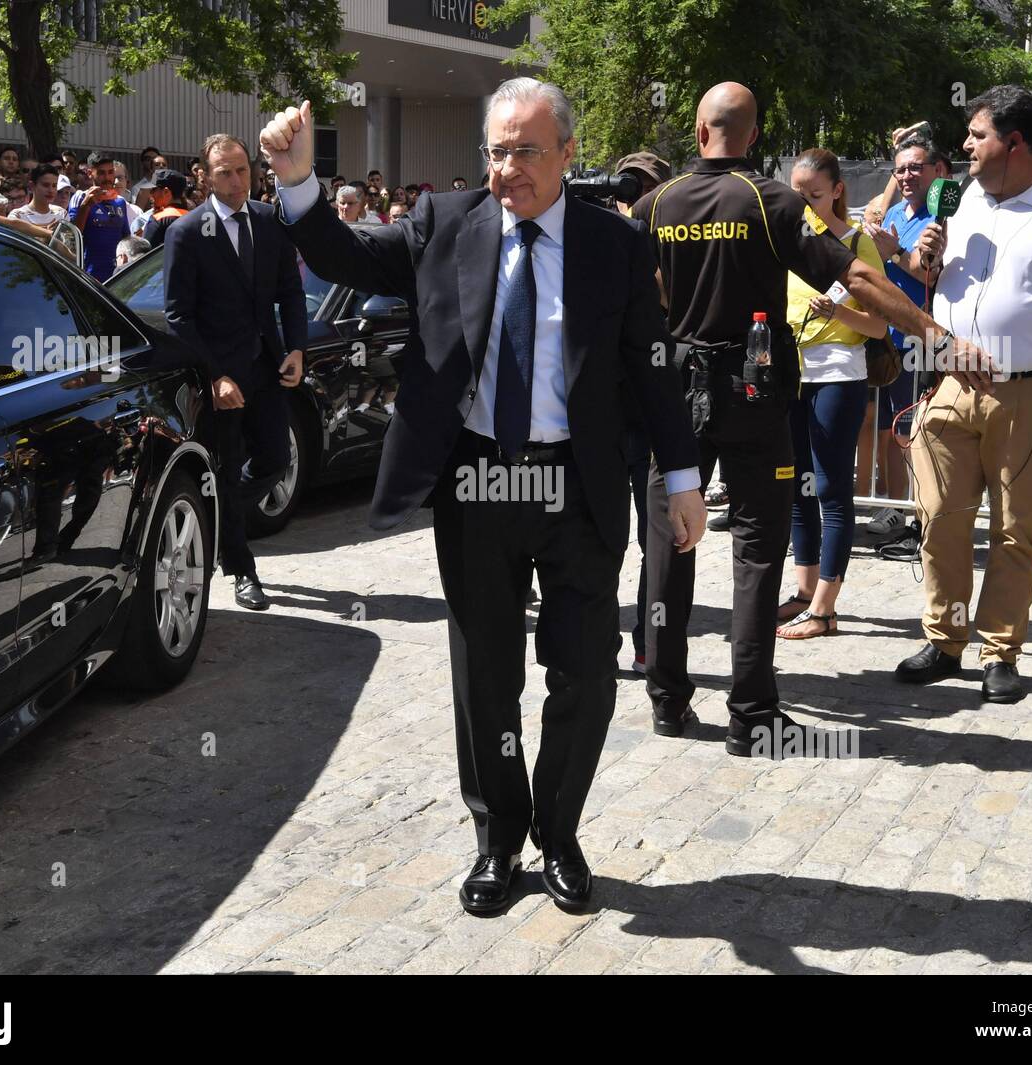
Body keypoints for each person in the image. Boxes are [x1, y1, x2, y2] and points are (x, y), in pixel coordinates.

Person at [261, 77, 706, 915]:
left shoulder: (614, 247)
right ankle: (498, 838)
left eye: (526, 152)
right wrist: (297, 185)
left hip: (578, 488)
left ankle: (560, 831)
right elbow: (345, 256)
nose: (507, 169)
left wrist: (680, 480)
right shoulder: (444, 224)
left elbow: (654, 369)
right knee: (485, 679)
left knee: (586, 673)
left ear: (569, 155)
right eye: (496, 151)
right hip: (477, 483)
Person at [630, 82, 979, 753]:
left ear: (700, 132)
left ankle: (667, 699)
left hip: (676, 391)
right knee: (758, 549)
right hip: (755, 390)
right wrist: (936, 337)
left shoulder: (656, 204)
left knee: (667, 542)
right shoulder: (771, 201)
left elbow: (630, 296)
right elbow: (860, 278)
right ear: (753, 136)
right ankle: (752, 713)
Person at [894, 85, 1032, 703]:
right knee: (940, 519)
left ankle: (1000, 652)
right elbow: (944, 291)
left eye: (976, 135)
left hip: (1030, 392)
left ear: (1013, 142)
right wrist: (920, 259)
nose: (964, 147)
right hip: (951, 384)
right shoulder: (964, 205)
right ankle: (945, 639)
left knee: (1017, 531)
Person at [164, 133, 307, 610]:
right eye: (225, 171)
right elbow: (179, 315)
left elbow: (290, 292)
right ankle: (241, 568)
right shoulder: (187, 232)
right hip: (220, 376)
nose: (237, 179)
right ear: (204, 176)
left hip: (266, 366)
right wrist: (215, 376)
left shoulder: (270, 222)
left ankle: (217, 523)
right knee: (224, 471)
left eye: (243, 169)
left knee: (275, 460)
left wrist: (297, 349)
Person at [776, 149, 887, 640]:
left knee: (831, 487)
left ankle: (825, 606)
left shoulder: (856, 244)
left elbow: (881, 323)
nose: (803, 205)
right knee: (797, 484)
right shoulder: (786, 243)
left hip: (840, 373)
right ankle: (804, 592)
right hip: (791, 374)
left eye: (813, 196)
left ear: (838, 191)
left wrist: (838, 314)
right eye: (795, 196)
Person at [860, 134, 951, 536]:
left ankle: (921, 513)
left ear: (937, 171)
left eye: (916, 167)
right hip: (886, 338)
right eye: (900, 169)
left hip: (919, 338)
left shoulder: (943, 216)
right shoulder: (893, 211)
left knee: (913, 429)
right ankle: (895, 507)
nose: (907, 175)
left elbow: (930, 272)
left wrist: (894, 252)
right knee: (891, 429)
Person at [613, 149, 673, 672]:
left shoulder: (670, 245)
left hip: (653, 417)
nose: (634, 199)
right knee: (598, 535)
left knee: (654, 537)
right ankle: (594, 642)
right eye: (629, 188)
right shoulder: (595, 238)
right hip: (602, 416)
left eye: (645, 190)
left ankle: (647, 644)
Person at [69, 151, 131, 281]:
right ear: (90, 173)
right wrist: (86, 206)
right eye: (101, 173)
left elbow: (126, 239)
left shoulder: (120, 202)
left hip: (117, 277)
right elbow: (72, 237)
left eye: (110, 172)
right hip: (89, 277)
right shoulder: (80, 198)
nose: (108, 178)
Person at [142, 168, 191, 248]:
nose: (150, 195)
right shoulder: (194, 218)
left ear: (166, 192)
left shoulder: (158, 219)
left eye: (153, 190)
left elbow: (144, 256)